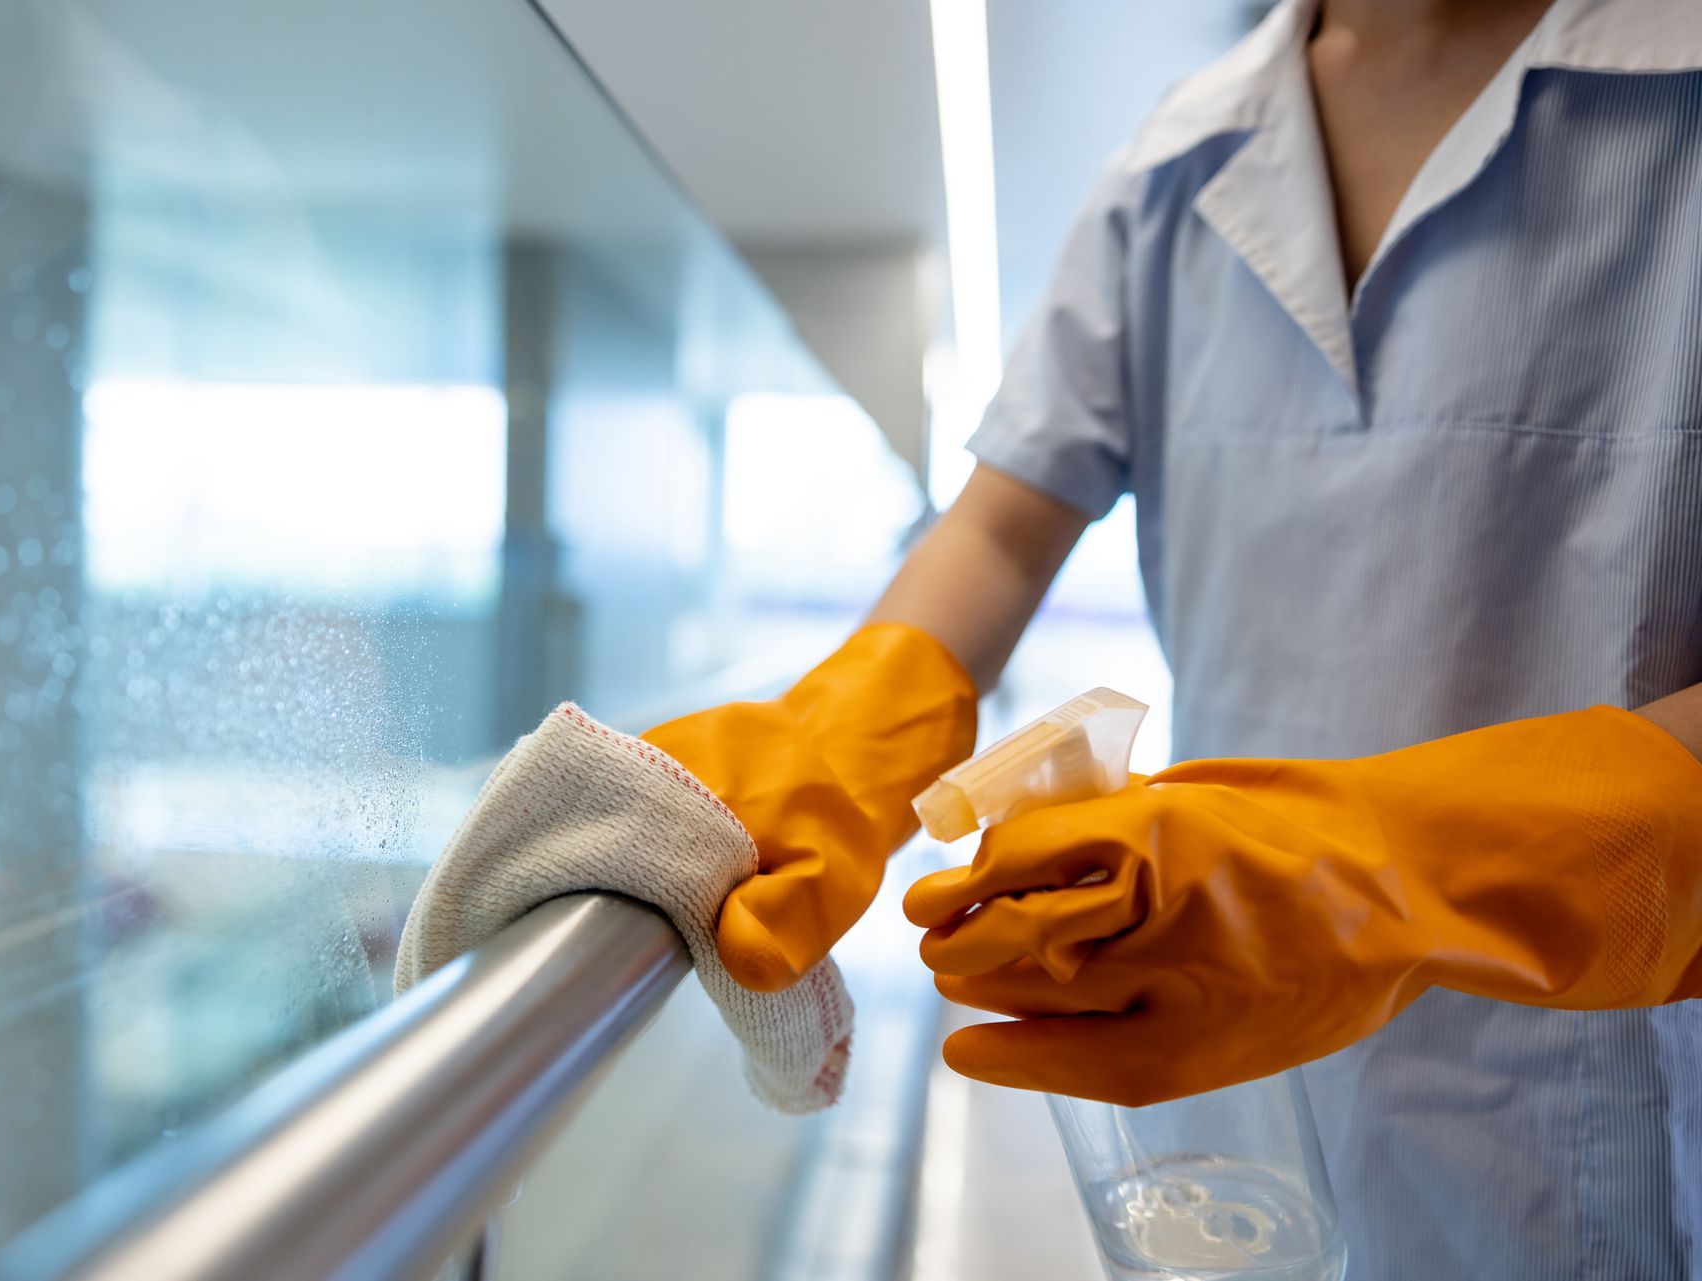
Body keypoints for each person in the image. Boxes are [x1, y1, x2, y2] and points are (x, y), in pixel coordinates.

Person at [645, 0, 1702, 1274]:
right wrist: (851, 723)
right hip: (1272, 1128)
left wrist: (1374, 869)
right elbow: (1000, 530)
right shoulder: (1172, 171)